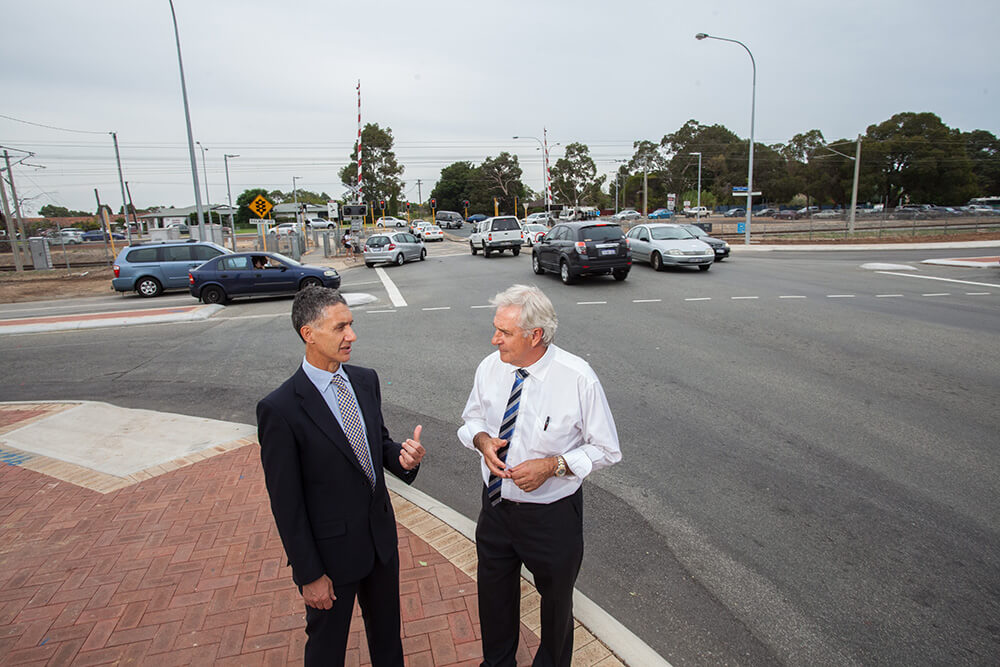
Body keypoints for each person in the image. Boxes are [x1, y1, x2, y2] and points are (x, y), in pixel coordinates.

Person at [257, 286, 426, 666]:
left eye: (351, 325)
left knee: (388, 643)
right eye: (340, 328)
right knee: (326, 651)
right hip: (330, 560)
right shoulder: (280, 409)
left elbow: (376, 444)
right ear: (309, 334)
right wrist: (309, 573)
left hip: (381, 545)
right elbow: (287, 504)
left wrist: (403, 459)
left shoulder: (365, 381)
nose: (352, 335)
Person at [458, 284, 622, 667]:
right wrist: (481, 440)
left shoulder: (578, 377)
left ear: (535, 335)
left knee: (556, 609)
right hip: (496, 509)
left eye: (504, 332)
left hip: (552, 517)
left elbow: (606, 448)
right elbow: (472, 419)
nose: (494, 338)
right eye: (496, 328)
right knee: (494, 602)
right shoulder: (489, 367)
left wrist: (553, 466)